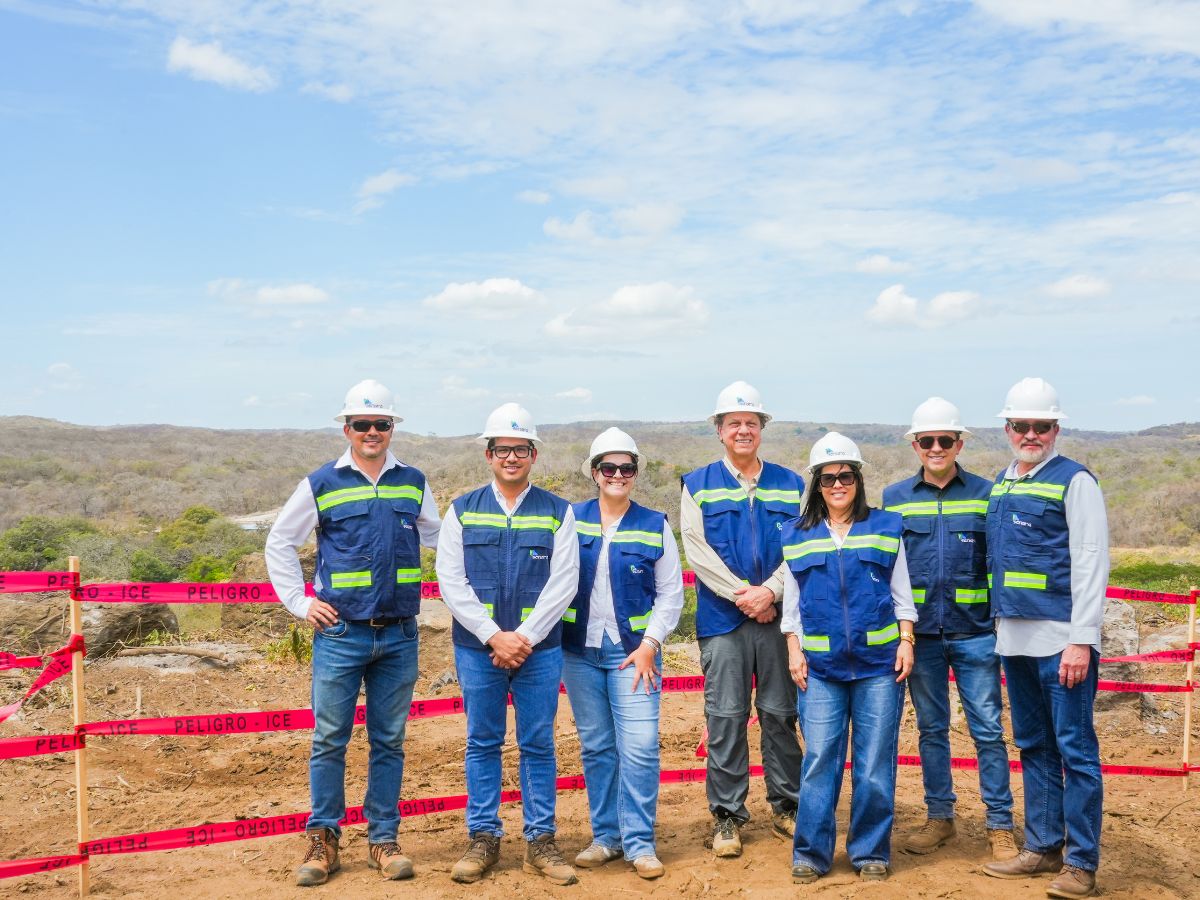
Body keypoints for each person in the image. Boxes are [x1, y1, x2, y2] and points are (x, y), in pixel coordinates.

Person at [265, 379, 441, 886]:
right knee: (329, 739)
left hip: (400, 634)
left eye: (380, 424)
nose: (371, 432)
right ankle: (323, 839)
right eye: (362, 424)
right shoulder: (322, 482)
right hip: (342, 633)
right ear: (346, 428)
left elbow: (439, 536)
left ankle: (382, 839)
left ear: (391, 428)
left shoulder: (413, 481)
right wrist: (300, 603)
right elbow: (280, 541)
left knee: (389, 740)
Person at [435, 402, 581, 886]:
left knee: (538, 743)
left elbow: (564, 581)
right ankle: (483, 839)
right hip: (479, 650)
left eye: (521, 449)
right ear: (489, 454)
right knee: (482, 741)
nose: (511, 457)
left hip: (540, 650)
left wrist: (524, 637)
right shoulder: (461, 510)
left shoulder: (558, 512)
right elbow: (451, 582)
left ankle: (541, 841)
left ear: (533, 454)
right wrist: (493, 635)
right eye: (503, 449)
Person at [981, 378, 1108, 900]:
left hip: (1061, 642)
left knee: (1075, 750)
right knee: (1033, 746)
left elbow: (1091, 560)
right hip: (1014, 640)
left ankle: (1081, 864)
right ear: (1007, 428)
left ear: (1056, 428)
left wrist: (1082, 640)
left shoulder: (1075, 481)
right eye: (1021, 425)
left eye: (1041, 426)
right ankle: (1042, 845)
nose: (1031, 434)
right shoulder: (1003, 481)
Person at [882, 398, 1017, 861]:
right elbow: (887, 569)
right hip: (921, 636)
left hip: (976, 633)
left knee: (987, 729)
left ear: (959, 443)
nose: (936, 447)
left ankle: (1000, 824)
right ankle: (941, 817)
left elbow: (1001, 560)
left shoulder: (987, 492)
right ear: (915, 446)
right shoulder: (894, 498)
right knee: (932, 729)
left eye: (945, 440)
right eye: (927, 440)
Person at [781, 432, 916, 884]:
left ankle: (869, 851)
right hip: (820, 670)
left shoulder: (885, 526)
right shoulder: (797, 535)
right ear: (816, 486)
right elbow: (792, 607)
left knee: (876, 761)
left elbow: (902, 595)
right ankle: (811, 853)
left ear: (857, 480)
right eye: (827, 478)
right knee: (819, 759)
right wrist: (793, 651)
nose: (837, 485)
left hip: (879, 667)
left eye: (845, 476)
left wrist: (907, 640)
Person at [680, 381, 804, 857]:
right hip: (723, 621)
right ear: (719, 429)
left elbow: (801, 546)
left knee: (779, 714)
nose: (743, 430)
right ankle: (727, 816)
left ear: (762, 428)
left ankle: (787, 806)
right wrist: (745, 596)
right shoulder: (698, 483)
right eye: (734, 422)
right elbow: (697, 550)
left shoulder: (791, 484)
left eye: (751, 422)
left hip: (778, 621)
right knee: (727, 718)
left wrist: (771, 591)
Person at [561, 428, 685, 880]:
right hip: (579, 652)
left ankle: (639, 842)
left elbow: (671, 595)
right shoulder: (570, 518)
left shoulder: (654, 524)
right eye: (608, 468)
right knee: (597, 747)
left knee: (640, 748)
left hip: (634, 654)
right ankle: (606, 838)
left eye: (626, 468)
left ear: (635, 474)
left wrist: (651, 645)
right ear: (595, 473)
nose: (617, 475)